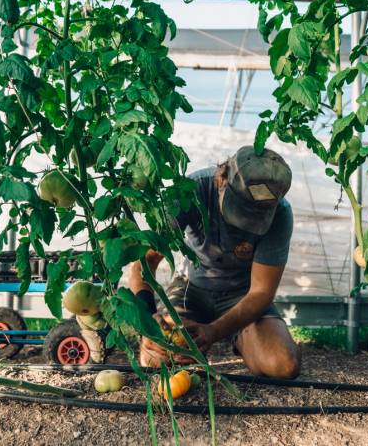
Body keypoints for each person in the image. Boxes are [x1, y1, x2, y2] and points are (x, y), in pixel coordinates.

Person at [129, 145, 301, 379]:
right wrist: (148, 321)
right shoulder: (188, 191)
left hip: (243, 295)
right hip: (191, 287)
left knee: (283, 365)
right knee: (155, 359)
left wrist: (215, 330)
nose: (243, 224)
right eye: (238, 211)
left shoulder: (281, 213)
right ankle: (213, 339)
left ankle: (243, 337)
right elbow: (144, 263)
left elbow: (261, 291)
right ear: (221, 178)